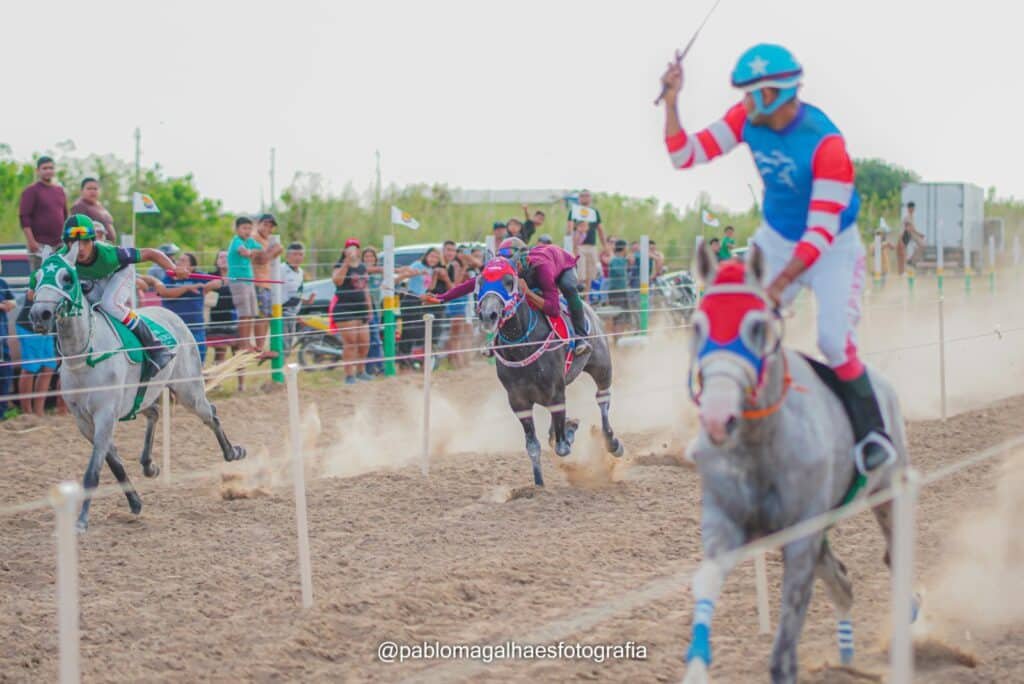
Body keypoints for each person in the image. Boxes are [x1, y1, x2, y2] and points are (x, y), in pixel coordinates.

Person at [660, 42, 894, 471]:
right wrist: (672, 101)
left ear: (777, 94)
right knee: (738, 319)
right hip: (778, 237)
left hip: (833, 246)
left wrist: (780, 284)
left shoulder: (827, 145)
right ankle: (723, 419)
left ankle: (873, 435)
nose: (743, 103)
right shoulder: (746, 118)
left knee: (833, 342)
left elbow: (820, 232)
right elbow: (684, 154)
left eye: (751, 94)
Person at [429, 237, 592, 356]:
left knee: (569, 288)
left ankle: (581, 336)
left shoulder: (543, 268)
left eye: (512, 262)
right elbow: (473, 283)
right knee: (509, 303)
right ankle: (497, 341)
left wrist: (528, 292)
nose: (508, 266)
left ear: (522, 260)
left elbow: (554, 309)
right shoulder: (506, 269)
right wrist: (442, 297)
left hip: (562, 265)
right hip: (532, 275)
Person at [58, 214, 179, 371]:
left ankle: (157, 348)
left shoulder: (109, 254)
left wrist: (173, 269)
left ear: (93, 241)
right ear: (66, 243)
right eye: (73, 242)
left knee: (110, 305)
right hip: (97, 279)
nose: (80, 248)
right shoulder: (61, 256)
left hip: (120, 273)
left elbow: (151, 253)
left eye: (85, 241)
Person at [148, 252, 219, 363]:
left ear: (192, 267)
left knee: (198, 361)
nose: (178, 262)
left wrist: (209, 286)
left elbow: (219, 281)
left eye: (183, 260)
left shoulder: (198, 276)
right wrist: (187, 288)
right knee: (176, 362)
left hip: (195, 327)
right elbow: (165, 293)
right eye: (178, 260)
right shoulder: (170, 277)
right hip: (172, 327)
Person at [13, 274, 58, 419]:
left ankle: (39, 412)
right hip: (30, 326)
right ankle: (27, 413)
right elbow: (31, 295)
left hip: (48, 327)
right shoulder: (42, 272)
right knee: (30, 368)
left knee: (48, 368)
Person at [331, 239, 372, 384]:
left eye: (355, 248)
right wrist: (346, 264)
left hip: (361, 309)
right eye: (349, 248)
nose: (353, 251)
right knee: (350, 343)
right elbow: (337, 281)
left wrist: (370, 308)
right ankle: (349, 375)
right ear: (344, 251)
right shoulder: (339, 266)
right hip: (345, 309)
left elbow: (365, 288)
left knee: (364, 342)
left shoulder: (362, 267)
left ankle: (361, 371)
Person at [19, 156, 68, 272]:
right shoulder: (31, 191)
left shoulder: (60, 191)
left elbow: (65, 215)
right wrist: (31, 242)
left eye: (51, 168)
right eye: (44, 168)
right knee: (39, 279)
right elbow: (24, 218)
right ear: (38, 171)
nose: (48, 171)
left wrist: (66, 241)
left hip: (59, 244)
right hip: (39, 245)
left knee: (60, 278)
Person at [206, 251, 246, 390]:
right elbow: (204, 294)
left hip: (235, 318)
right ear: (216, 261)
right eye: (220, 257)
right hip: (216, 320)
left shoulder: (238, 277)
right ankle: (216, 384)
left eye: (226, 257)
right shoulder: (210, 277)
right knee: (220, 351)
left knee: (238, 352)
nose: (223, 260)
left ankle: (241, 385)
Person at [226, 216, 262, 353]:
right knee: (244, 313)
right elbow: (244, 252)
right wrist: (252, 253)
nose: (247, 231)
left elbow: (260, 250)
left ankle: (248, 342)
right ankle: (244, 343)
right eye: (244, 228)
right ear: (237, 230)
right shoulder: (237, 241)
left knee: (252, 313)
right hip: (239, 280)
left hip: (249, 280)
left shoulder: (249, 241)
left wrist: (253, 252)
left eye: (249, 228)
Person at [251, 213, 284, 355]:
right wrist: (275, 250)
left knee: (266, 315)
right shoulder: (254, 238)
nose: (268, 228)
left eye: (271, 226)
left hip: (266, 282)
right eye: (265, 224)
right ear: (258, 224)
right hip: (258, 281)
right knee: (261, 315)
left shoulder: (266, 240)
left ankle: (261, 347)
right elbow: (262, 259)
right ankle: (259, 348)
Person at [565, 189, 607, 293]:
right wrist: (572, 246)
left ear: (590, 198)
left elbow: (600, 229)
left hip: (592, 245)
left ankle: (587, 299)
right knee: (579, 274)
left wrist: (605, 246)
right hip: (579, 246)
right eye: (583, 196)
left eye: (587, 196)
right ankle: (577, 297)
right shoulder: (574, 211)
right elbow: (569, 229)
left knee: (590, 274)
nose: (585, 198)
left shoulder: (594, 212)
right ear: (579, 198)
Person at [282, 242, 316, 353]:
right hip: (282, 313)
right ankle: (278, 368)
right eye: (295, 254)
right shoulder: (281, 269)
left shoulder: (300, 272)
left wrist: (306, 301)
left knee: (288, 347)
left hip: (293, 314)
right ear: (287, 256)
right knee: (282, 346)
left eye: (300, 255)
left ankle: (282, 368)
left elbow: (296, 293)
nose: (298, 257)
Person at [70, 177, 116, 243]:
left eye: (95, 189)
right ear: (82, 191)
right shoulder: (79, 206)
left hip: (106, 247)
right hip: (93, 248)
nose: (93, 191)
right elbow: (77, 232)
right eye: (89, 188)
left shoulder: (99, 205)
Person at [361, 247, 385, 374]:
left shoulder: (378, 274)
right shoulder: (362, 271)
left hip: (376, 308)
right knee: (373, 338)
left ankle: (371, 368)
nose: (369, 259)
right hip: (365, 308)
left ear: (376, 259)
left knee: (373, 338)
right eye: (366, 257)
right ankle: (379, 367)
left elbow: (390, 280)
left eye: (371, 257)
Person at [607, 239, 631, 334]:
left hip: (622, 291)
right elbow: (619, 272)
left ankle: (620, 337)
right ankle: (617, 339)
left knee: (624, 316)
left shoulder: (620, 260)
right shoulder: (616, 260)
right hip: (616, 291)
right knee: (618, 316)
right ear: (623, 248)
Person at [0, 270, 15, 418]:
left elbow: (13, 300)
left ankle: (2, 412)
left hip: (3, 337)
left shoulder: (2, 283)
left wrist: (11, 303)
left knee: (5, 372)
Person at [898, 202, 925, 275]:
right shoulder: (907, 217)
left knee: (921, 245)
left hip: (909, 235)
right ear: (909, 208)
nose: (913, 210)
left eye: (913, 208)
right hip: (904, 235)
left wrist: (918, 236)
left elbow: (912, 229)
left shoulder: (911, 216)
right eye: (911, 208)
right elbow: (910, 228)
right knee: (903, 254)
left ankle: (911, 261)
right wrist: (919, 234)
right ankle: (903, 270)